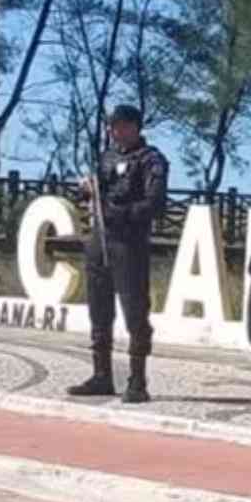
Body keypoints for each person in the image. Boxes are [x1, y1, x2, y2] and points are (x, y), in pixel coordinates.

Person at [67, 105, 169, 404]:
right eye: (112, 126)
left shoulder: (152, 160)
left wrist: (120, 213)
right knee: (99, 309)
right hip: (100, 240)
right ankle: (101, 375)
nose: (116, 131)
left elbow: (154, 204)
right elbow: (99, 189)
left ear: (136, 127)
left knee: (135, 312)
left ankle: (137, 380)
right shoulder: (108, 157)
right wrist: (86, 192)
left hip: (129, 243)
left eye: (122, 126)